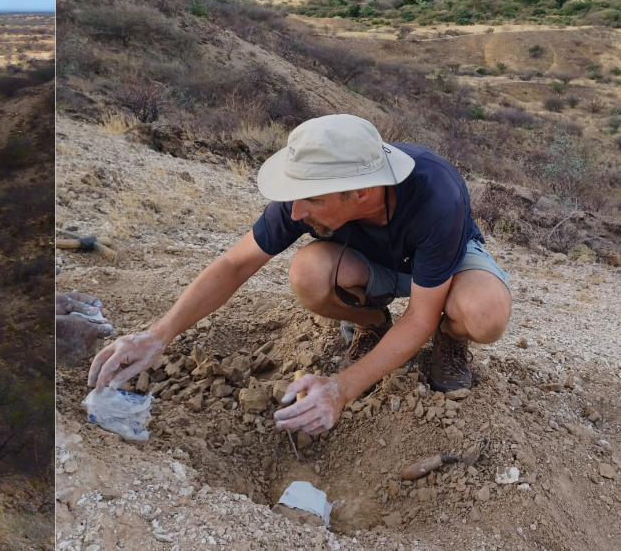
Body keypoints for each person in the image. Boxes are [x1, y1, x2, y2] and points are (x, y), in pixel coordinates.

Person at [88, 114, 512, 436]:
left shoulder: (436, 194)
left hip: (440, 269)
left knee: (484, 313)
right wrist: (158, 334)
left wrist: (340, 390)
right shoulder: (310, 191)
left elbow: (420, 316)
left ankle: (452, 342)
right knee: (308, 272)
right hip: (369, 263)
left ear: (360, 193)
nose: (295, 214)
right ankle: (372, 325)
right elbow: (235, 264)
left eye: (309, 201)